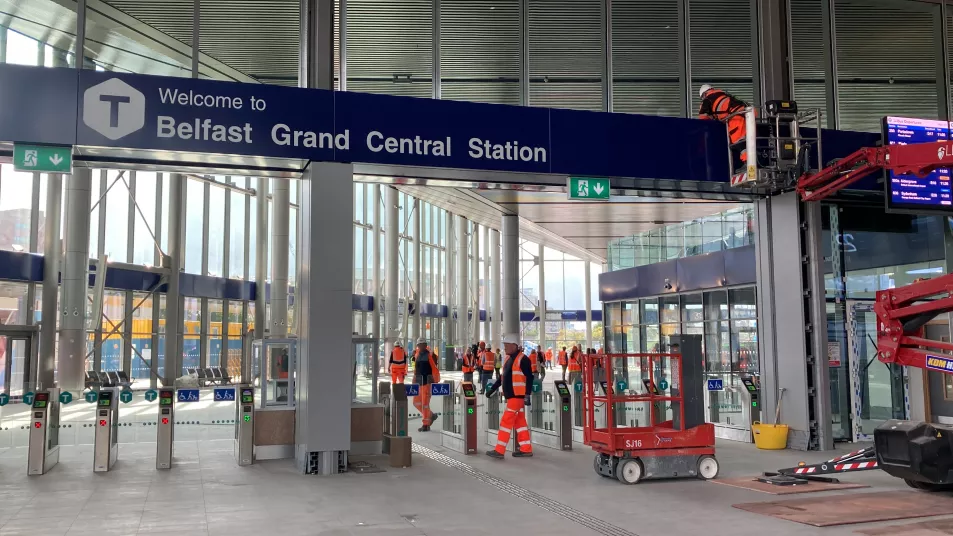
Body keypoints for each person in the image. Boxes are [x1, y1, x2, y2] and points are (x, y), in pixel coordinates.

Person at [485, 333, 534, 459]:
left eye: (506, 345)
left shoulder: (523, 359)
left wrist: (527, 394)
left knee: (506, 422)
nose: (504, 347)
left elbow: (529, 377)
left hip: (517, 397)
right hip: (512, 397)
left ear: (514, 345)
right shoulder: (507, 359)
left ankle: (499, 450)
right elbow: (503, 378)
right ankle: (526, 449)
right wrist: (492, 389)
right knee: (520, 423)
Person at [698, 84, 750, 162]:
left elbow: (702, 117)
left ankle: (748, 162)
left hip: (736, 117)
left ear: (705, 94)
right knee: (749, 139)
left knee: (739, 141)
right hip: (745, 114)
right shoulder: (722, 95)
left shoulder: (708, 99)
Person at [413, 337, 440, 432]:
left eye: (422, 345)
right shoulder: (417, 355)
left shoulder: (429, 355)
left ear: (425, 345)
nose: (420, 347)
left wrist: (435, 381)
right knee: (416, 402)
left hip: (427, 383)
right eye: (419, 345)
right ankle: (431, 415)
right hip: (419, 382)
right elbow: (416, 369)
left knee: (425, 404)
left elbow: (434, 368)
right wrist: (414, 379)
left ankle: (426, 424)